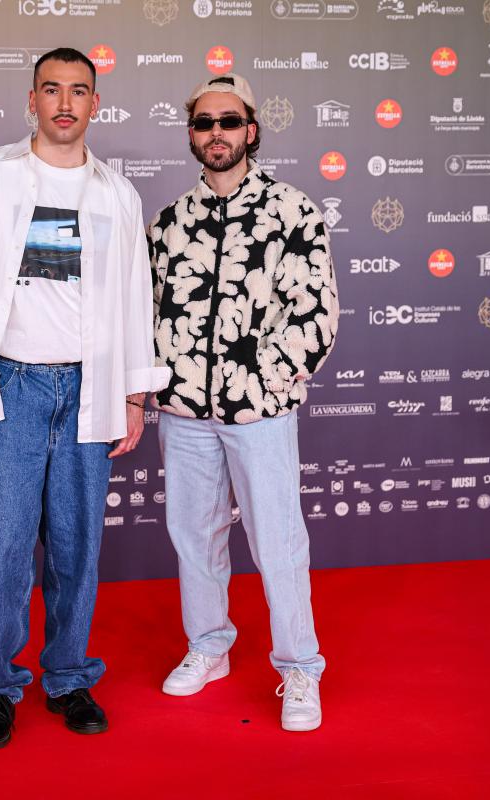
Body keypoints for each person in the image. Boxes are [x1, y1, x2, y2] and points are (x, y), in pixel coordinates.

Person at [0, 47, 170, 750]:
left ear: (95, 104)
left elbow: (135, 299)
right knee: (3, 545)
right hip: (11, 383)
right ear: (32, 100)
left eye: (78, 91)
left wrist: (134, 396)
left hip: (89, 386)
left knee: (77, 546)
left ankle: (69, 676)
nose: (64, 103)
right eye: (51, 89)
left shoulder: (117, 193)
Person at [146, 73, 339, 732]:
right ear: (191, 134)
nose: (217, 133)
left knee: (277, 540)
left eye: (229, 121)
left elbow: (316, 310)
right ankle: (209, 646)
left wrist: (270, 381)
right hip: (183, 411)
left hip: (259, 411)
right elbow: (148, 312)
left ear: (251, 130)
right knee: (194, 537)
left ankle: (300, 668)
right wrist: (160, 384)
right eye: (204, 123)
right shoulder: (169, 223)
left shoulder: (292, 210)